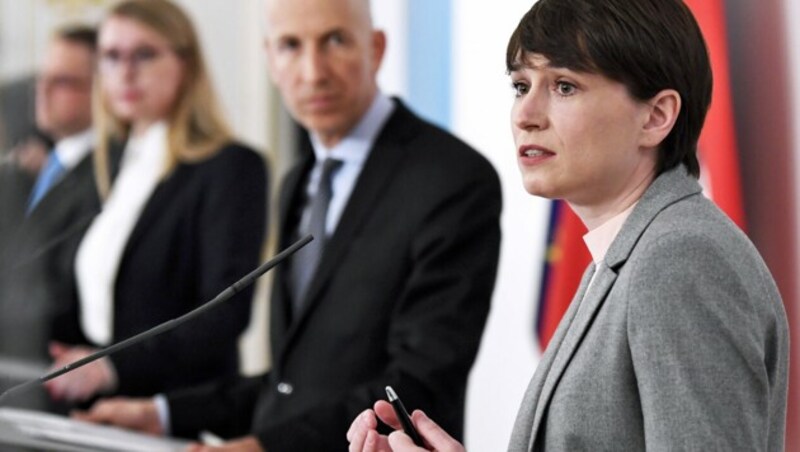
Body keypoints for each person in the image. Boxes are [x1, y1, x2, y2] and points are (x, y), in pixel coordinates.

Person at [347, 0, 790, 450]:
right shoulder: (626, 255)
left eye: (563, 86)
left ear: (656, 117)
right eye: (521, 86)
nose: (525, 115)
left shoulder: (679, 259)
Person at [74, 0, 502, 450]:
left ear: (375, 48)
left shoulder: (450, 178)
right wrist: (162, 413)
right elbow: (293, 382)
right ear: (270, 61)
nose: (313, 71)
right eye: (290, 46)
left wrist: (261, 447)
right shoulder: (297, 180)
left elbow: (419, 383)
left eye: (335, 41)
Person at [44, 0, 268, 403]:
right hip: (93, 406)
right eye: (111, 56)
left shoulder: (231, 168)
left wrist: (110, 366)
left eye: (144, 54)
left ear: (185, 63)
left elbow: (223, 314)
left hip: (177, 409)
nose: (125, 72)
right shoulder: (106, 165)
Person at [0, 25, 99, 364]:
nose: (41, 91)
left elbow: (60, 287)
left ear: (102, 91)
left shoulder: (106, 175)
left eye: (62, 81)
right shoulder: (26, 173)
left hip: (55, 367)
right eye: (41, 79)